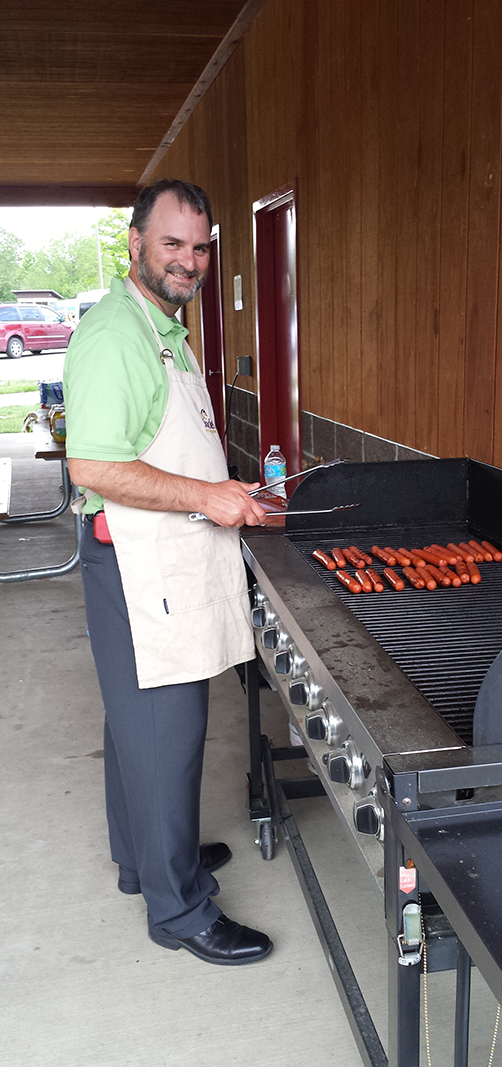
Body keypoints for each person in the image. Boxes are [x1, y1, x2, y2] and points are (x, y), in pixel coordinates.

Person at [63, 179, 272, 966]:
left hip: (156, 556)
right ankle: (180, 909)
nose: (189, 259)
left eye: (200, 245)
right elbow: (94, 463)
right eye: (172, 243)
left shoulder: (162, 329)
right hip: (137, 562)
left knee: (136, 728)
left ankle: (144, 860)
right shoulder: (117, 332)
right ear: (135, 244)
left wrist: (225, 491)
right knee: (167, 734)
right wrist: (208, 495)